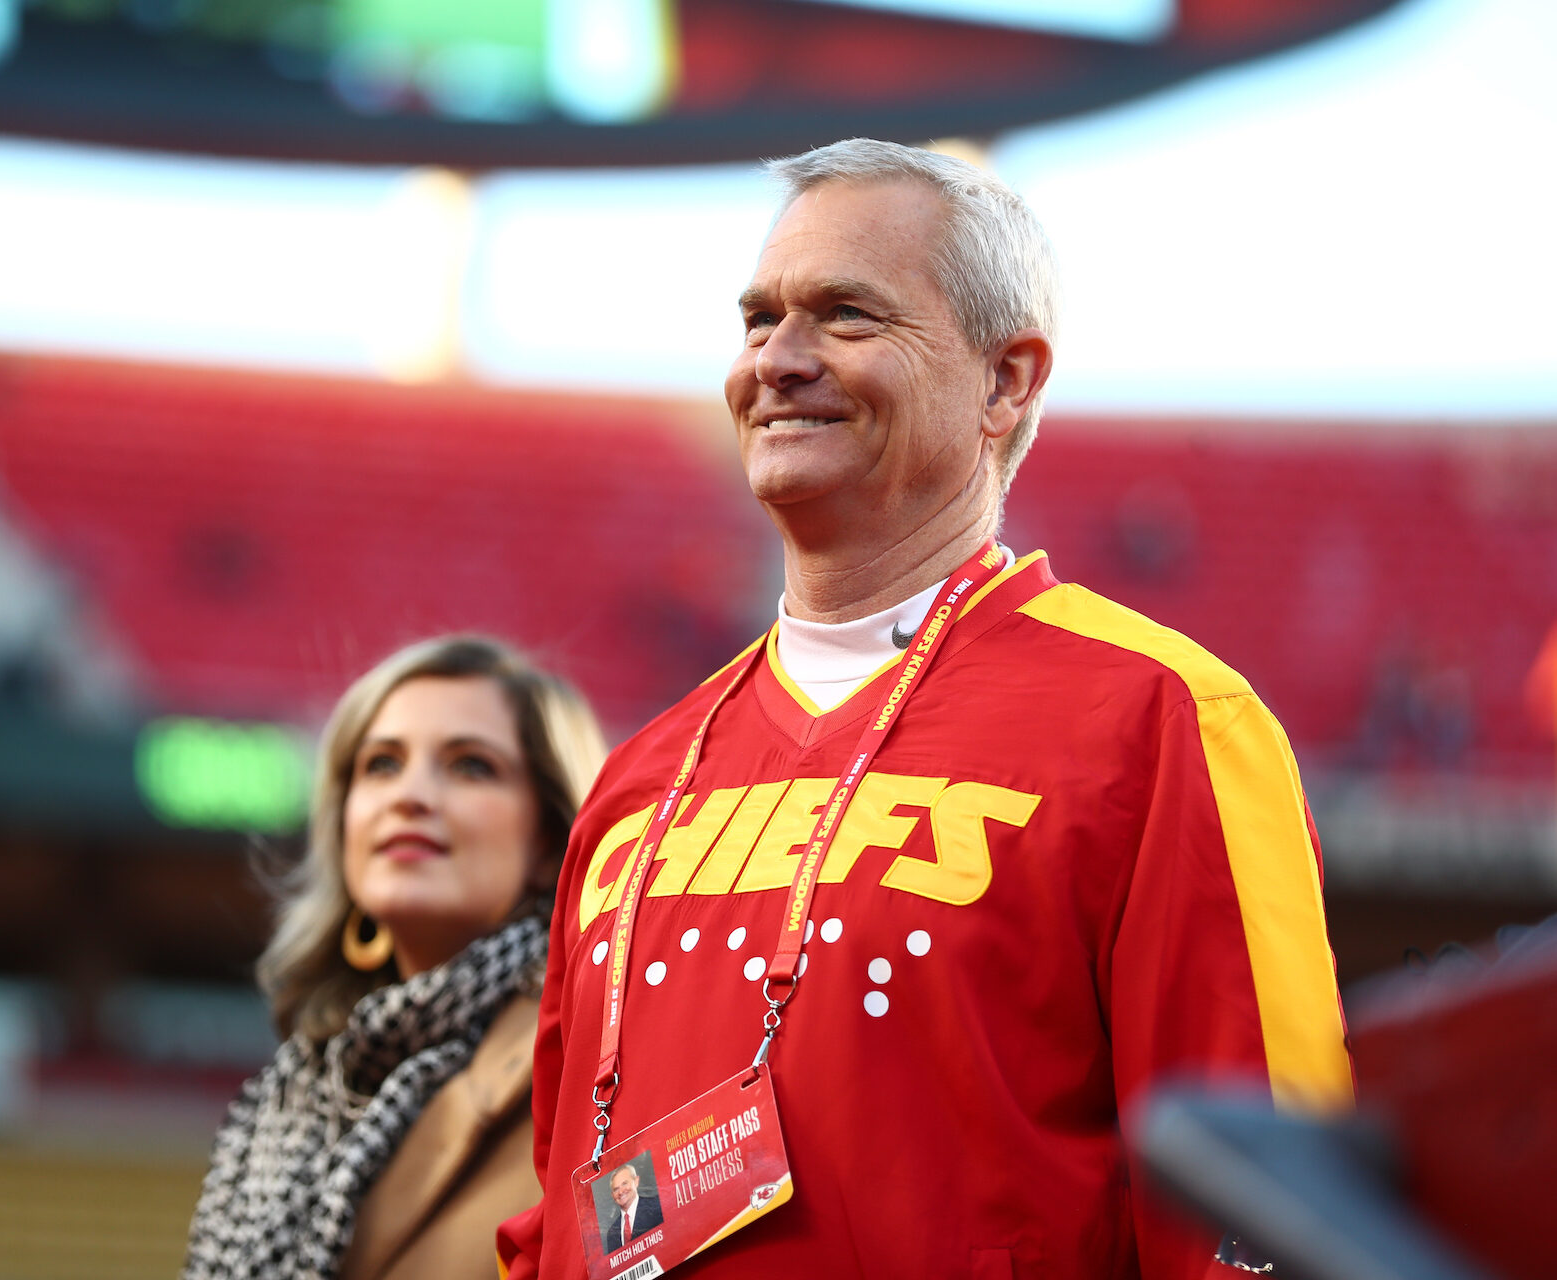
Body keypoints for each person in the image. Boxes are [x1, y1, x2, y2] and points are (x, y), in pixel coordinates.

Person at [496, 139, 1353, 1279]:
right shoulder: (638, 780)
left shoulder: (1161, 719)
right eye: (759, 321)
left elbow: (1273, 1215)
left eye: (846, 315)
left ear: (1007, 380)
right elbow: (557, 1212)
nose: (779, 360)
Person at [183, 635, 607, 1280]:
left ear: (551, 839)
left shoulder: (596, 1060)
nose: (409, 796)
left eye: (471, 766)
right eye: (380, 764)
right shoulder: (292, 1097)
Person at [602, 1164, 663, 1253]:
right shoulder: (612, 1233)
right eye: (616, 1189)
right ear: (612, 1195)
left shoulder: (657, 1206)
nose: (621, 1192)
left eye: (624, 1184)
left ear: (636, 1181)